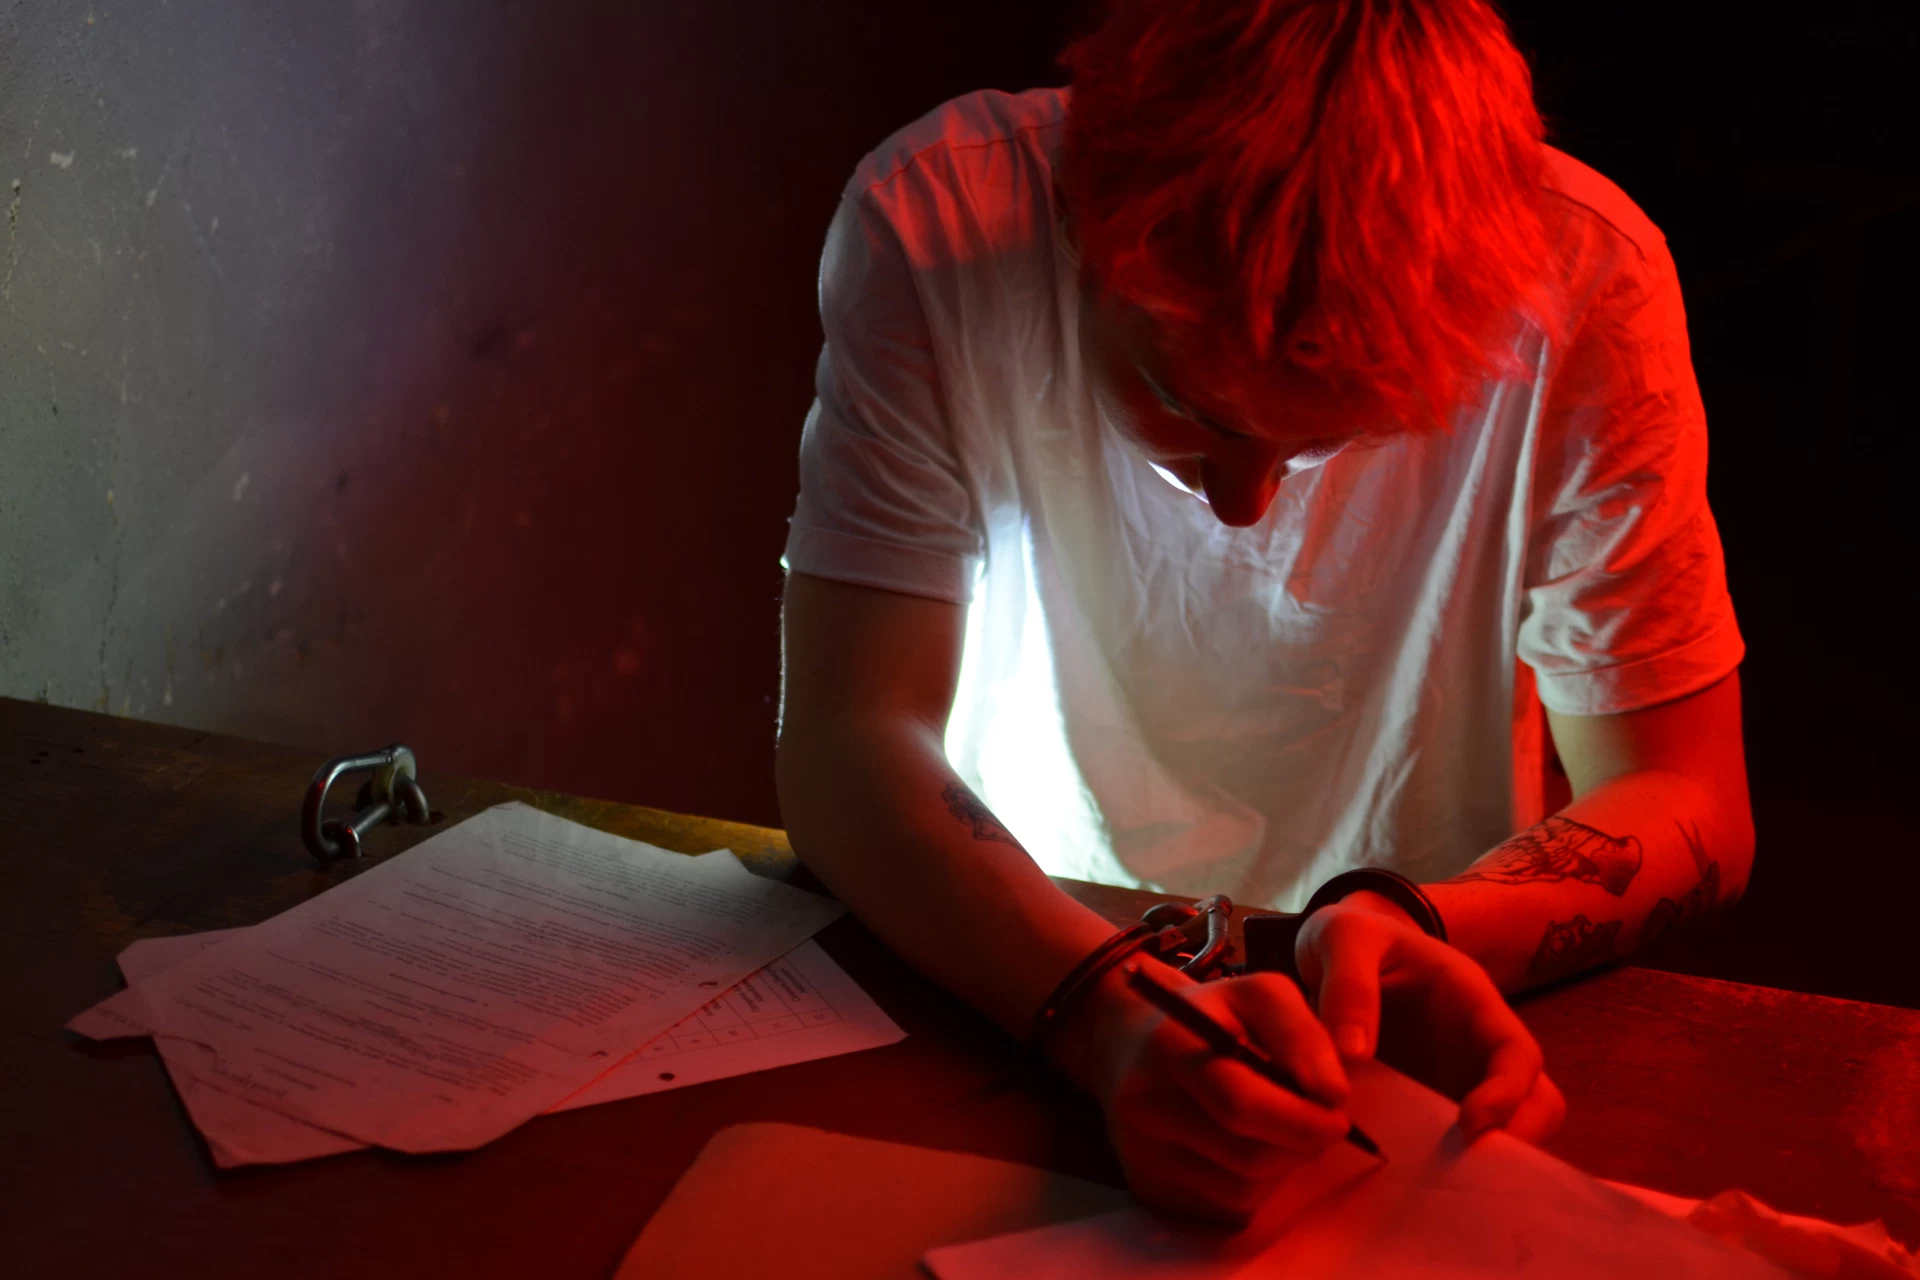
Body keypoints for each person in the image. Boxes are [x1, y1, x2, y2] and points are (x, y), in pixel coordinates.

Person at [774, 0, 1752, 1224]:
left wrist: (1415, 921)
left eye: (1335, 438)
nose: (1245, 507)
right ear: (1084, 219)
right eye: (1187, 407)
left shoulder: (1582, 277)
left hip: (1401, 1021)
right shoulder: (944, 222)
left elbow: (1685, 790)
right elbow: (849, 737)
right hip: (1004, 960)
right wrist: (1100, 1015)